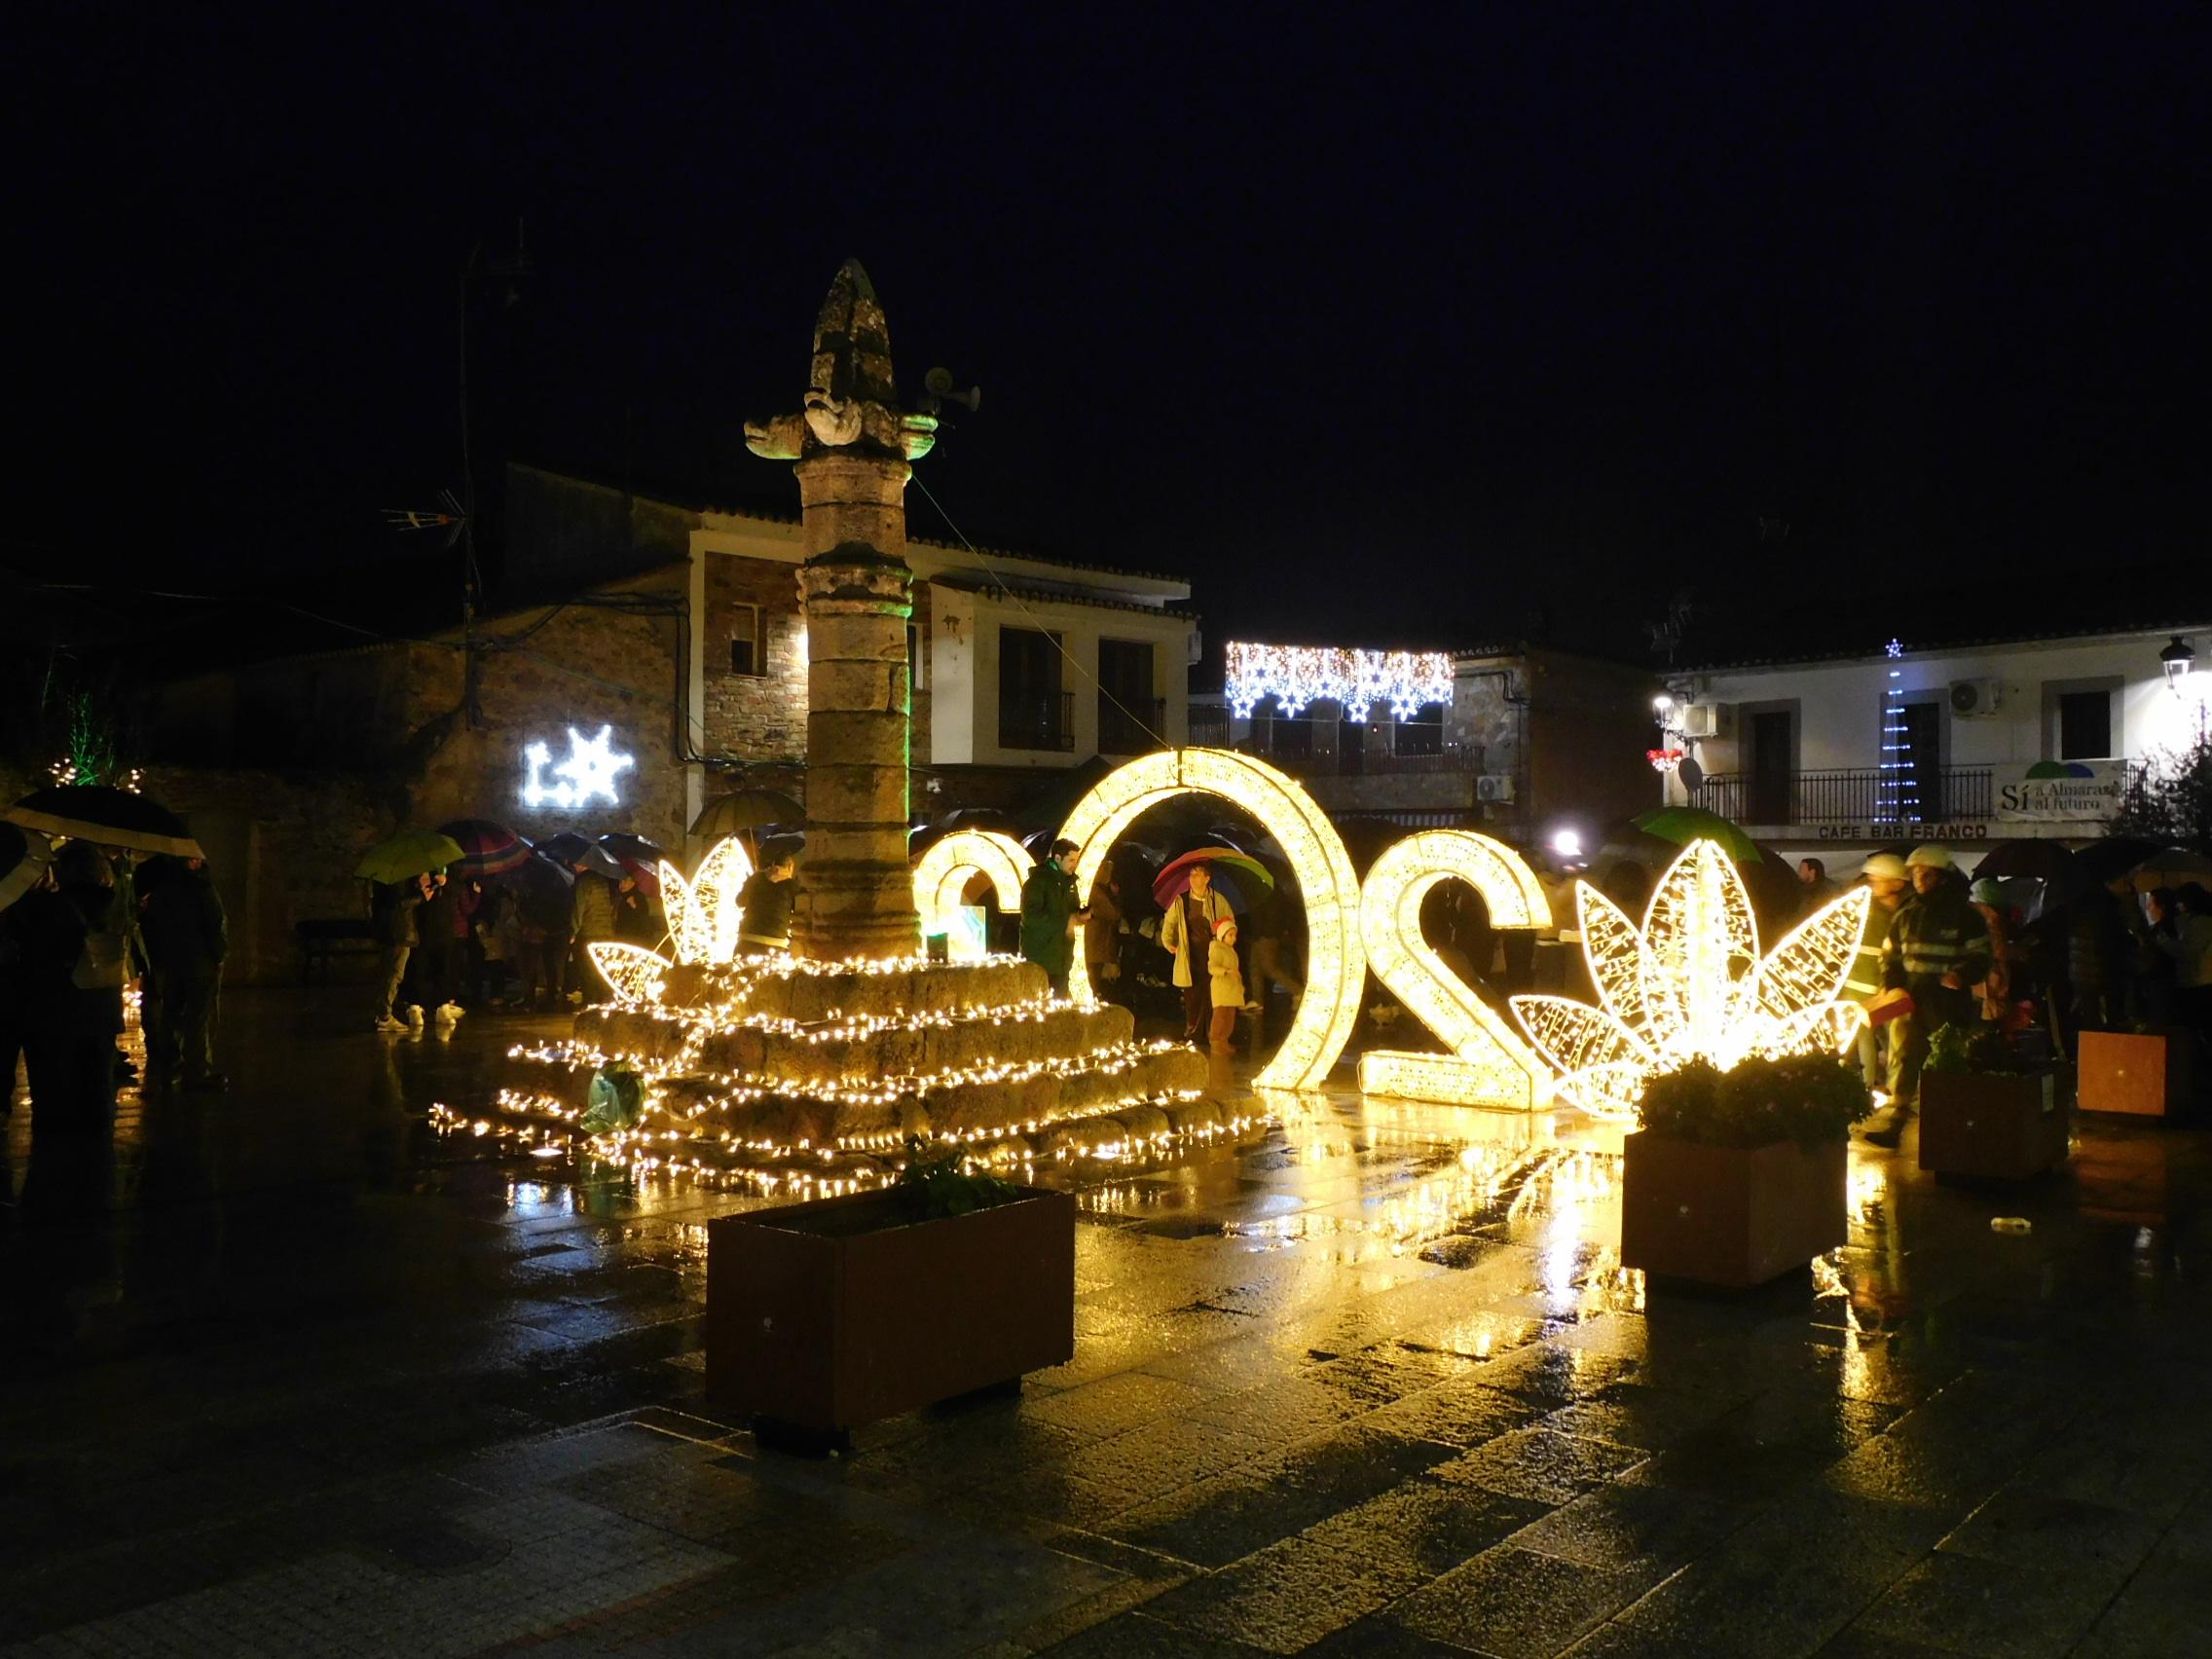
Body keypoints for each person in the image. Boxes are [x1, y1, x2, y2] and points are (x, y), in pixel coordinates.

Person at [1865, 844, 1991, 1147]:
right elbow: (1890, 956)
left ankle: (1952, 1131)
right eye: (1915, 873)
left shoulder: (1965, 916)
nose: (1919, 879)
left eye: (1926, 874)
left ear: (1942, 877)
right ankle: (1895, 1125)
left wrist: (1960, 975)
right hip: (1911, 1002)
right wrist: (1894, 984)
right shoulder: (1906, 915)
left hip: (1948, 1005)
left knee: (1947, 1064)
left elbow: (1980, 956)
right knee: (1903, 1062)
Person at [138, 854, 227, 1089]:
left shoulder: (163, 890)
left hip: (172, 959)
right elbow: (214, 923)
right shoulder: (201, 887)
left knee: (172, 1012)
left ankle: (170, 1063)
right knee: (200, 1014)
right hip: (199, 958)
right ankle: (197, 1070)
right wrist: (219, 955)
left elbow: (154, 923)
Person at [1841, 853, 1911, 1094]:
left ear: (1897, 882)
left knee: (1893, 1038)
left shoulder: (1900, 913)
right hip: (1863, 986)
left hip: (1882, 988)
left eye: (1878, 879)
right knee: (1868, 1038)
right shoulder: (1872, 909)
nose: (1873, 884)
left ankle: (1890, 1087)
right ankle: (1870, 1086)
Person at [1160, 861, 1235, 1043]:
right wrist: (1169, 943)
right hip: (1191, 954)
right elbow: (1170, 923)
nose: (1192, 879)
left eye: (1197, 875)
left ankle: (1212, 1033)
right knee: (1192, 996)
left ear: (1207, 878)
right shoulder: (1181, 901)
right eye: (1191, 875)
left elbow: (1229, 921)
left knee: (1212, 995)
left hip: (1212, 954)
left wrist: (1223, 934)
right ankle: (1193, 1033)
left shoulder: (1218, 900)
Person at [1019, 838, 1087, 998]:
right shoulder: (1037, 882)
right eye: (1071, 860)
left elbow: (1071, 910)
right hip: (1041, 958)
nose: (1074, 864)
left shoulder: (1070, 883)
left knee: (1059, 1009)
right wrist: (1066, 922)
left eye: (1076, 860)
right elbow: (1031, 917)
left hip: (1062, 959)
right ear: (1057, 858)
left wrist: (1080, 915)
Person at [371, 872, 426, 1031]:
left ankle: (383, 1013)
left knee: (390, 972)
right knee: (394, 973)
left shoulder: (383, 879)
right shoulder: (396, 880)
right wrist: (421, 896)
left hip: (391, 930)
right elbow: (399, 904)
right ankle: (384, 1016)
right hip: (399, 931)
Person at [569, 857, 619, 999]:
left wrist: (573, 931)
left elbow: (579, 907)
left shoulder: (583, 882)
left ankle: (591, 1002)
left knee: (587, 970)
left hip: (588, 932)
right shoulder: (603, 881)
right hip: (605, 931)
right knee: (601, 970)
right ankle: (604, 1001)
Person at [1968, 876, 2014, 1024]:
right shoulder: (1993, 921)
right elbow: (1999, 953)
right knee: (1988, 1027)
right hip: (1990, 987)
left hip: (1973, 985)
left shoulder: (1967, 918)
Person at [737, 847, 798, 955]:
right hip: (776, 944)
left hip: (747, 940)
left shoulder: (755, 878)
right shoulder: (792, 886)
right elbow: (797, 913)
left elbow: (739, 902)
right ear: (790, 866)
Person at [1083, 857, 1124, 998]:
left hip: (1094, 942)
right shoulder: (1098, 891)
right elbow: (1114, 913)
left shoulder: (1093, 889)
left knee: (1093, 974)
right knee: (1094, 976)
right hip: (1097, 942)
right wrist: (1115, 896)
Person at [1207, 918, 1246, 1054]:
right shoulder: (1217, 949)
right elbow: (1212, 967)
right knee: (1220, 1016)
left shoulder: (1231, 951)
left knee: (1229, 1017)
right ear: (1222, 936)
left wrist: (1239, 985)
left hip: (1231, 989)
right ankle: (1216, 1042)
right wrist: (1226, 971)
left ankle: (1224, 1041)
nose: (1233, 938)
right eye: (1230, 935)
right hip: (1222, 988)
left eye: (1234, 935)